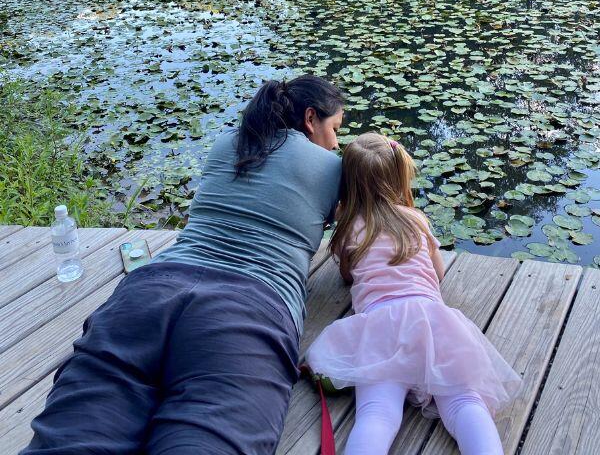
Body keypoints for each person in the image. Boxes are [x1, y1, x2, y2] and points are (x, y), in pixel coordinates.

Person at [21, 75, 344, 455]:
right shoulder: (332, 166)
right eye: (335, 128)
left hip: (150, 290)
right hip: (249, 311)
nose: (337, 141)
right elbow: (371, 231)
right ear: (310, 119)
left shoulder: (229, 144)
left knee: (73, 436)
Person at [306, 132, 521, 455]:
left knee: (377, 413)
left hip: (378, 330)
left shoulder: (350, 229)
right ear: (398, 178)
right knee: (464, 402)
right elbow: (439, 273)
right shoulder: (416, 220)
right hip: (430, 323)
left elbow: (349, 276)